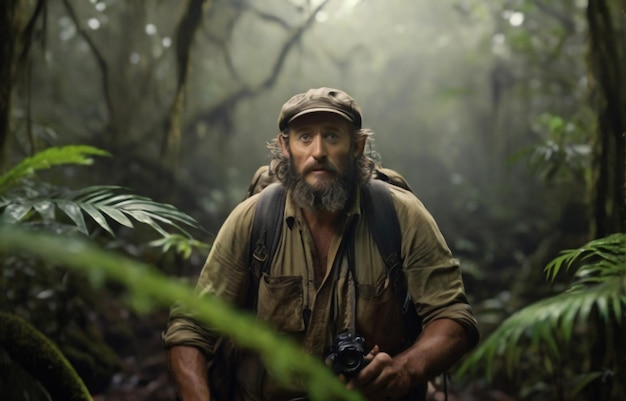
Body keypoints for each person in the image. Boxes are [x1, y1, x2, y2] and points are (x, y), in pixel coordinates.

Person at [162, 87, 479, 401]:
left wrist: (405, 370)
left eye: (331, 136)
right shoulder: (255, 219)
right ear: (285, 147)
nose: (318, 152)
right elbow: (191, 327)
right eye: (304, 137)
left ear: (357, 146)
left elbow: (452, 316)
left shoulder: (399, 215)